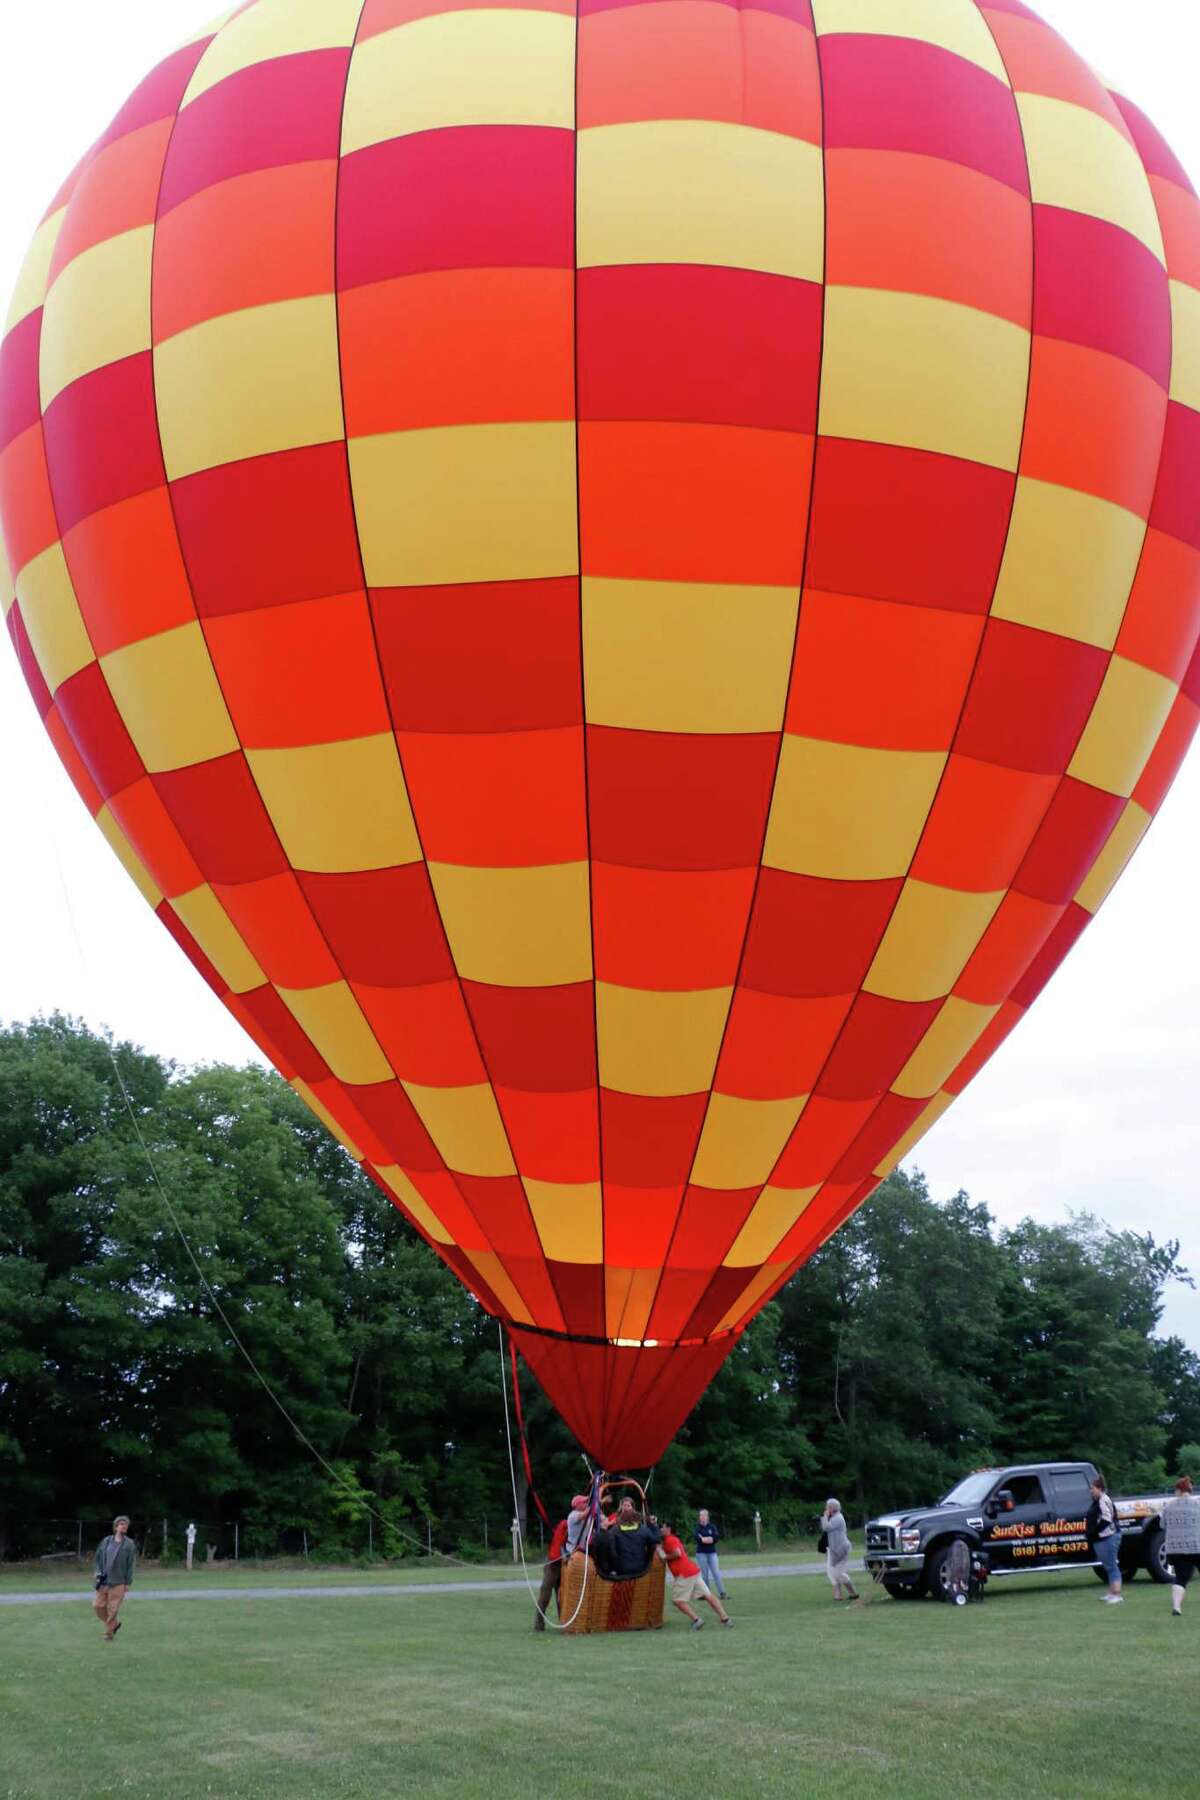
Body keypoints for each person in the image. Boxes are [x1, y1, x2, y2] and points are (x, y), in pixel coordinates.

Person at [661, 1521, 733, 1630]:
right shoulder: (672, 1539)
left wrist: (665, 1557)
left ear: (668, 1529)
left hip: (684, 1574)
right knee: (708, 1595)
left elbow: (677, 1553)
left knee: (678, 1601)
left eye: (662, 1527)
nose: (660, 1530)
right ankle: (725, 1618)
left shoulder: (670, 1539)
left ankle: (697, 1620)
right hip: (693, 1571)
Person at [593, 1496, 662, 1580]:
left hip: (622, 1570)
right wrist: (654, 1526)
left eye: (628, 1506)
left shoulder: (615, 1531)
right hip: (640, 1569)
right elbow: (657, 1539)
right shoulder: (642, 1529)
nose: (625, 1508)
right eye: (624, 1505)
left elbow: (611, 1551)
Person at [92, 1515, 136, 1642]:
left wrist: (128, 1582)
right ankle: (114, 1624)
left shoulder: (129, 1544)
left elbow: (130, 1565)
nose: (124, 1526)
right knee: (97, 1606)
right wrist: (97, 1571)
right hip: (103, 1580)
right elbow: (98, 1558)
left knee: (113, 1608)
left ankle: (108, 1634)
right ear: (116, 1526)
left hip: (119, 1581)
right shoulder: (106, 1541)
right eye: (122, 1524)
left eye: (126, 1524)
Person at [1163, 1474, 1200, 1618]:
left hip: (1176, 1549)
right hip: (1197, 1546)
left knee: (1181, 1579)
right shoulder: (1198, 1505)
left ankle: (1176, 1607)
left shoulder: (1169, 1506)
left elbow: (1162, 1525)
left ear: (1179, 1490)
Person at [1087, 1475, 1123, 1603]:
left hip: (1109, 1537)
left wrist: (1096, 1532)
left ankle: (1117, 1594)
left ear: (1099, 1488)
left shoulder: (1103, 1500)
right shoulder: (1098, 1500)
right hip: (1104, 1537)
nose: (1091, 1491)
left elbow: (1107, 1518)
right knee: (1108, 1566)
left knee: (1112, 1565)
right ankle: (1112, 1592)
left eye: (1093, 1488)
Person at [533, 1513, 570, 1631]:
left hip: (565, 1564)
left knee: (562, 1595)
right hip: (553, 1564)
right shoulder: (565, 1525)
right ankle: (539, 1622)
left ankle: (564, 1623)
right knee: (545, 1593)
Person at [822, 1498, 862, 1604]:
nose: (826, 1508)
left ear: (832, 1508)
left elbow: (826, 1527)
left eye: (828, 1507)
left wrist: (825, 1516)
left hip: (841, 1548)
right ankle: (840, 1595)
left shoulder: (838, 1518)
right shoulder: (834, 1517)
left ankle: (853, 1592)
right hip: (833, 1548)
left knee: (838, 1573)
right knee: (831, 1572)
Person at [693, 1508, 728, 1600]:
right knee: (704, 1574)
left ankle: (722, 1593)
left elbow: (716, 1538)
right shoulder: (697, 1528)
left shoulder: (712, 1527)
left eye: (705, 1515)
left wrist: (705, 1539)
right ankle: (706, 1594)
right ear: (699, 1517)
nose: (703, 1517)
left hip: (712, 1553)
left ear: (708, 1517)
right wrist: (708, 1539)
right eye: (701, 1515)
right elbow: (698, 1539)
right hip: (701, 1554)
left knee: (716, 1573)